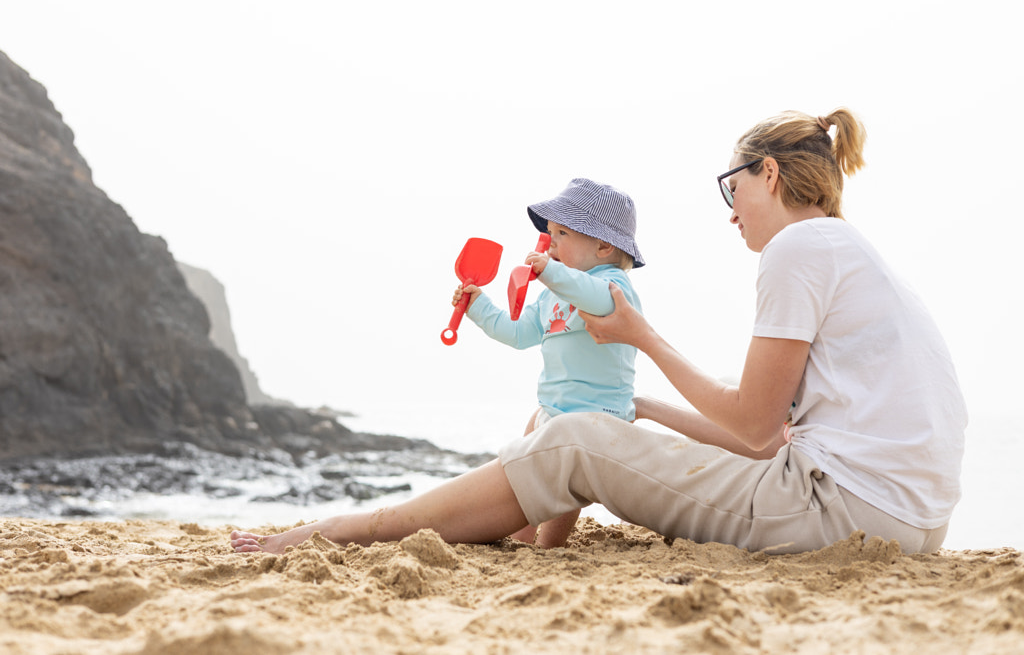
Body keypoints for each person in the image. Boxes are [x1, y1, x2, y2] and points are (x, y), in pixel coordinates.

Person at [231, 108, 967, 556]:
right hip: (906, 519)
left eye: (732, 187)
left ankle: (366, 527)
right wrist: (641, 409)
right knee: (593, 429)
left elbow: (751, 426)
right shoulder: (852, 252)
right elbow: (770, 438)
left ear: (767, 174)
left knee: (573, 436)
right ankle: (400, 521)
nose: (730, 208)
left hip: (839, 510)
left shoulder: (796, 249)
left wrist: (640, 338)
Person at [454, 178, 644, 548]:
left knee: (564, 485)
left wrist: (550, 272)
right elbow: (517, 333)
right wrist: (477, 306)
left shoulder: (613, 286)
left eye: (561, 233)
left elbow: (591, 296)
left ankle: (550, 544)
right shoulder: (550, 298)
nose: (549, 240)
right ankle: (521, 534)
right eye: (549, 232)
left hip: (597, 419)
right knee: (525, 463)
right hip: (555, 410)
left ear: (604, 246)